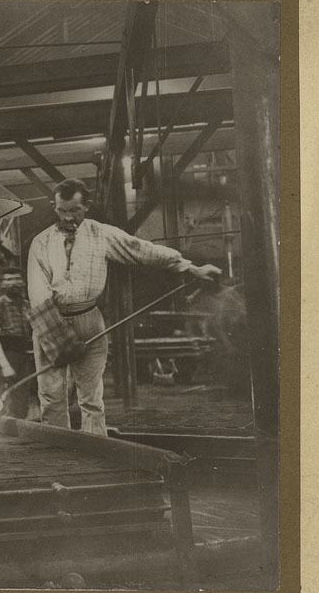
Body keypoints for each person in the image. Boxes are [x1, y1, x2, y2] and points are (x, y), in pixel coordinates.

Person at [27, 178, 221, 435]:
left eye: (75, 210)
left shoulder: (101, 234)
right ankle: (58, 452)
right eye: (63, 211)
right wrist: (59, 336)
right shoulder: (41, 243)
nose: (69, 217)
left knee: (91, 399)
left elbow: (141, 249)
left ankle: (96, 450)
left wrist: (190, 267)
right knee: (52, 397)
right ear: (55, 207)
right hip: (50, 321)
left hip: (89, 320)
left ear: (87, 206)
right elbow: (38, 292)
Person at [0, 268, 34, 419]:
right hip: (4, 357)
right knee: (3, 404)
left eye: (17, 279)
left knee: (21, 403)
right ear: (2, 284)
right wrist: (5, 366)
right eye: (9, 280)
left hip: (22, 356)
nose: (14, 283)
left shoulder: (26, 305)